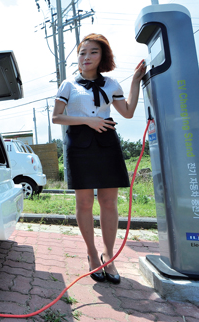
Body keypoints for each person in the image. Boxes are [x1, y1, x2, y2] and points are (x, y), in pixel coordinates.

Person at [52, 34, 146, 284]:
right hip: (79, 145)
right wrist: (87, 120)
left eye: (92, 52)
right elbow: (56, 117)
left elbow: (127, 112)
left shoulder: (112, 83)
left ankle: (109, 256)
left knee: (108, 202)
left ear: (102, 56)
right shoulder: (68, 85)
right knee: (84, 204)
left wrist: (135, 81)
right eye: (82, 53)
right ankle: (92, 254)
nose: (86, 57)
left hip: (107, 143)